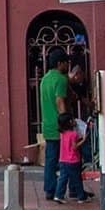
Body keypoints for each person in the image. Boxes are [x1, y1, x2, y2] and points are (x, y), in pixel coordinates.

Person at [39, 49, 70, 201]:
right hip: (60, 125)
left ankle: (49, 190)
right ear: (60, 64)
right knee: (67, 159)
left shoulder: (44, 80)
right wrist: (66, 121)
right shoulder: (61, 79)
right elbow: (60, 101)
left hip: (47, 125)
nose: (67, 65)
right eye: (66, 63)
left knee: (50, 160)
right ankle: (68, 190)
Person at [53, 113, 91, 203]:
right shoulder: (73, 134)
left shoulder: (62, 134)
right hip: (73, 160)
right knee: (77, 179)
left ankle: (59, 195)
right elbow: (75, 147)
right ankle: (81, 196)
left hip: (63, 159)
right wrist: (83, 140)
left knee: (62, 178)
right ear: (70, 122)